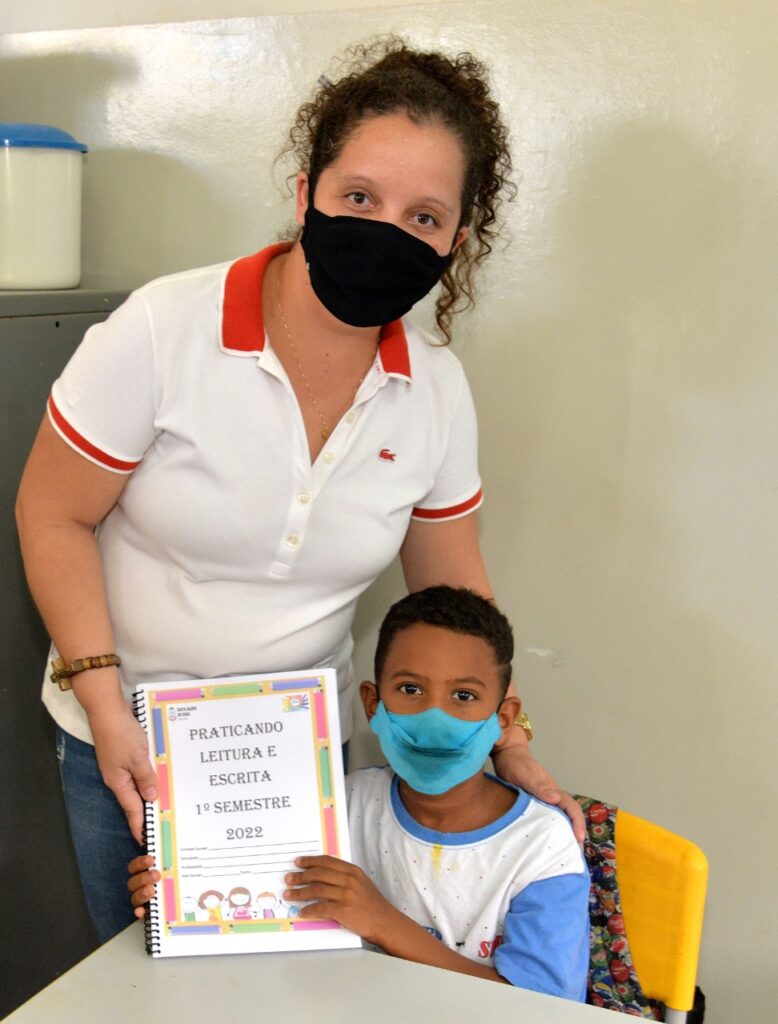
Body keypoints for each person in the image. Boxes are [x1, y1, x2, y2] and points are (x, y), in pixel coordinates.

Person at [15, 37, 583, 944]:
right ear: (305, 193)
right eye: (360, 197)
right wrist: (102, 702)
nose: (387, 230)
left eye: (424, 216)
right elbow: (52, 513)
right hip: (126, 735)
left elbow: (452, 587)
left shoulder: (435, 389)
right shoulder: (163, 329)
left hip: (297, 756)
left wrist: (507, 739)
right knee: (140, 975)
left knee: (297, 980)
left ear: (456, 241)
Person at [129, 587, 590, 999]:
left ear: (503, 719)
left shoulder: (543, 848)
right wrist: (181, 898)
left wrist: (384, 923)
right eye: (410, 688)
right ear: (372, 703)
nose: (434, 718)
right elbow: (263, 934)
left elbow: (545, 1009)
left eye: (463, 696)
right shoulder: (334, 807)